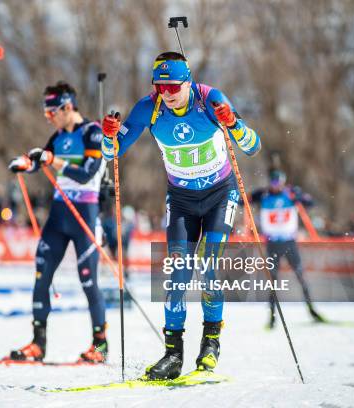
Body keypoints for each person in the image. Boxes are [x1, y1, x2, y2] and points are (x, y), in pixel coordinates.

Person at [101, 51, 261, 379]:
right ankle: (173, 355)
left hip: (220, 196)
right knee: (176, 277)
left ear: (188, 82)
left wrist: (233, 123)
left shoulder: (210, 100)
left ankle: (211, 344)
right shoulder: (150, 107)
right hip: (182, 201)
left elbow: (253, 146)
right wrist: (107, 135)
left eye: (174, 86)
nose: (168, 94)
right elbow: (113, 152)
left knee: (209, 268)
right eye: (160, 88)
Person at [8, 81, 108, 363]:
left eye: (51, 111)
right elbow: (41, 159)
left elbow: (87, 173)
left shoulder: (92, 132)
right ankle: (38, 344)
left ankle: (100, 346)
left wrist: (54, 161)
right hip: (59, 216)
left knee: (88, 281)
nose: (47, 116)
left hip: (84, 216)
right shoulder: (58, 136)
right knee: (41, 277)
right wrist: (26, 163)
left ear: (67, 107)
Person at [251, 169, 325, 328]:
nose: (276, 186)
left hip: (289, 242)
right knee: (272, 280)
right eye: (274, 183)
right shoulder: (263, 195)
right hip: (272, 244)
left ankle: (311, 309)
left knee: (300, 275)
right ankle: (272, 316)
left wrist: (297, 196)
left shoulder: (290, 193)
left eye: (279, 183)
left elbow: (310, 202)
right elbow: (243, 200)